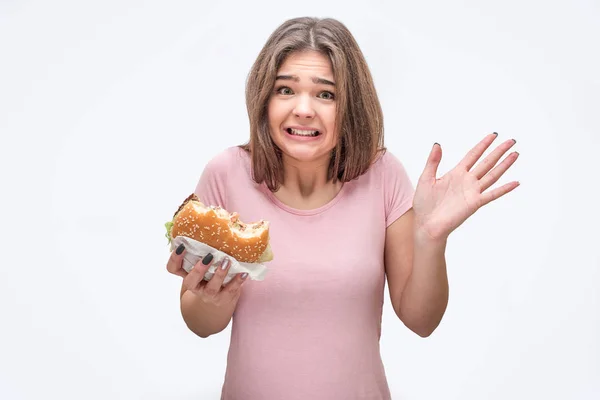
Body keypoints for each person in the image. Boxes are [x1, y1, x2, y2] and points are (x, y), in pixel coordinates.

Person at [166, 16, 519, 400]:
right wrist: (210, 296)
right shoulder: (226, 173)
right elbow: (200, 324)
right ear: (264, 99)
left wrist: (431, 238)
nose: (303, 109)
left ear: (351, 105)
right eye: (285, 90)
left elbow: (421, 320)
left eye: (326, 94)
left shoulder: (383, 175)